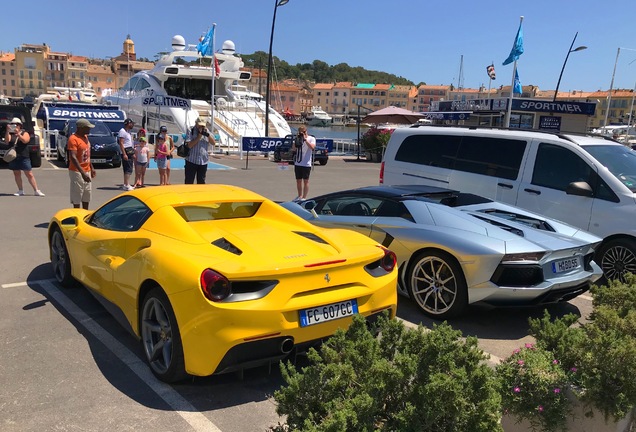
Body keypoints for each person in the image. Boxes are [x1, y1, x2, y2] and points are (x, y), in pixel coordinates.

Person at [4, 117, 45, 196]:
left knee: (29, 173)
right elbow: (7, 140)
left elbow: (25, 140)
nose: (14, 126)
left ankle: (36, 190)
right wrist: (7, 131)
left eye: (16, 125)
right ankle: (20, 190)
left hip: (23, 156)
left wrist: (18, 134)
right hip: (14, 156)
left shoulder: (24, 133)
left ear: (20, 126)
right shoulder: (10, 133)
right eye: (12, 124)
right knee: (16, 173)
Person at [67, 118, 96, 209]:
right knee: (77, 194)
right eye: (88, 127)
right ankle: (77, 215)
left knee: (87, 194)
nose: (89, 129)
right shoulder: (73, 139)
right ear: (80, 128)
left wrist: (91, 167)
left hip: (87, 170)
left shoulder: (85, 137)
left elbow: (86, 155)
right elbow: (73, 157)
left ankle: (85, 214)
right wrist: (82, 173)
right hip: (77, 171)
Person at [184, 118, 215, 184]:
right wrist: (199, 137)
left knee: (201, 182)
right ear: (196, 123)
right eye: (199, 125)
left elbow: (213, 143)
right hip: (191, 160)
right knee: (189, 182)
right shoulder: (191, 130)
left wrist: (208, 135)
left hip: (203, 161)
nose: (201, 127)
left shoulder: (207, 131)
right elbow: (189, 145)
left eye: (203, 126)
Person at [291, 125, 316, 201]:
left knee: (306, 181)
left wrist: (305, 140)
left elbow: (312, 147)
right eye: (301, 132)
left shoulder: (311, 138)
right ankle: (299, 196)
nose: (302, 133)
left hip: (306, 163)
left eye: (304, 132)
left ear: (306, 131)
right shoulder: (298, 139)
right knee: (298, 180)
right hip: (298, 163)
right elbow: (294, 149)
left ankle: (304, 197)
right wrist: (297, 140)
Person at [118, 118, 135, 190]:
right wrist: (124, 154)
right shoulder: (122, 131)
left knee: (128, 168)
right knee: (128, 168)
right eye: (131, 124)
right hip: (126, 151)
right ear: (128, 123)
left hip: (129, 150)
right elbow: (121, 143)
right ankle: (127, 184)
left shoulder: (128, 131)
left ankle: (125, 183)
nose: (132, 125)